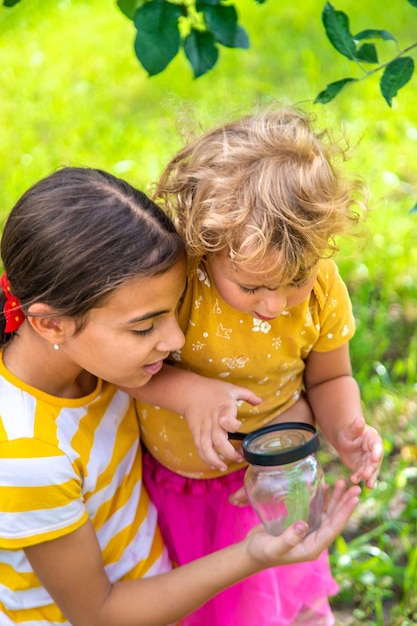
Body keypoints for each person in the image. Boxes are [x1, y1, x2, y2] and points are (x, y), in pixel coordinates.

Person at [0, 166, 361, 626]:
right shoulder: (27, 454)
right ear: (51, 323)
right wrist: (253, 554)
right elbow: (100, 613)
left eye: (175, 311)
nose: (175, 339)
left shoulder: (100, 366)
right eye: (145, 326)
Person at [132, 107, 384, 626]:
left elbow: (331, 378)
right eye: (251, 288)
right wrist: (189, 393)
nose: (274, 304)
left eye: (295, 281)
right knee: (203, 604)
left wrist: (346, 429)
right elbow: (129, 368)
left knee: (281, 601)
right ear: (206, 246)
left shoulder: (321, 292)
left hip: (274, 479)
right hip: (183, 482)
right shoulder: (183, 283)